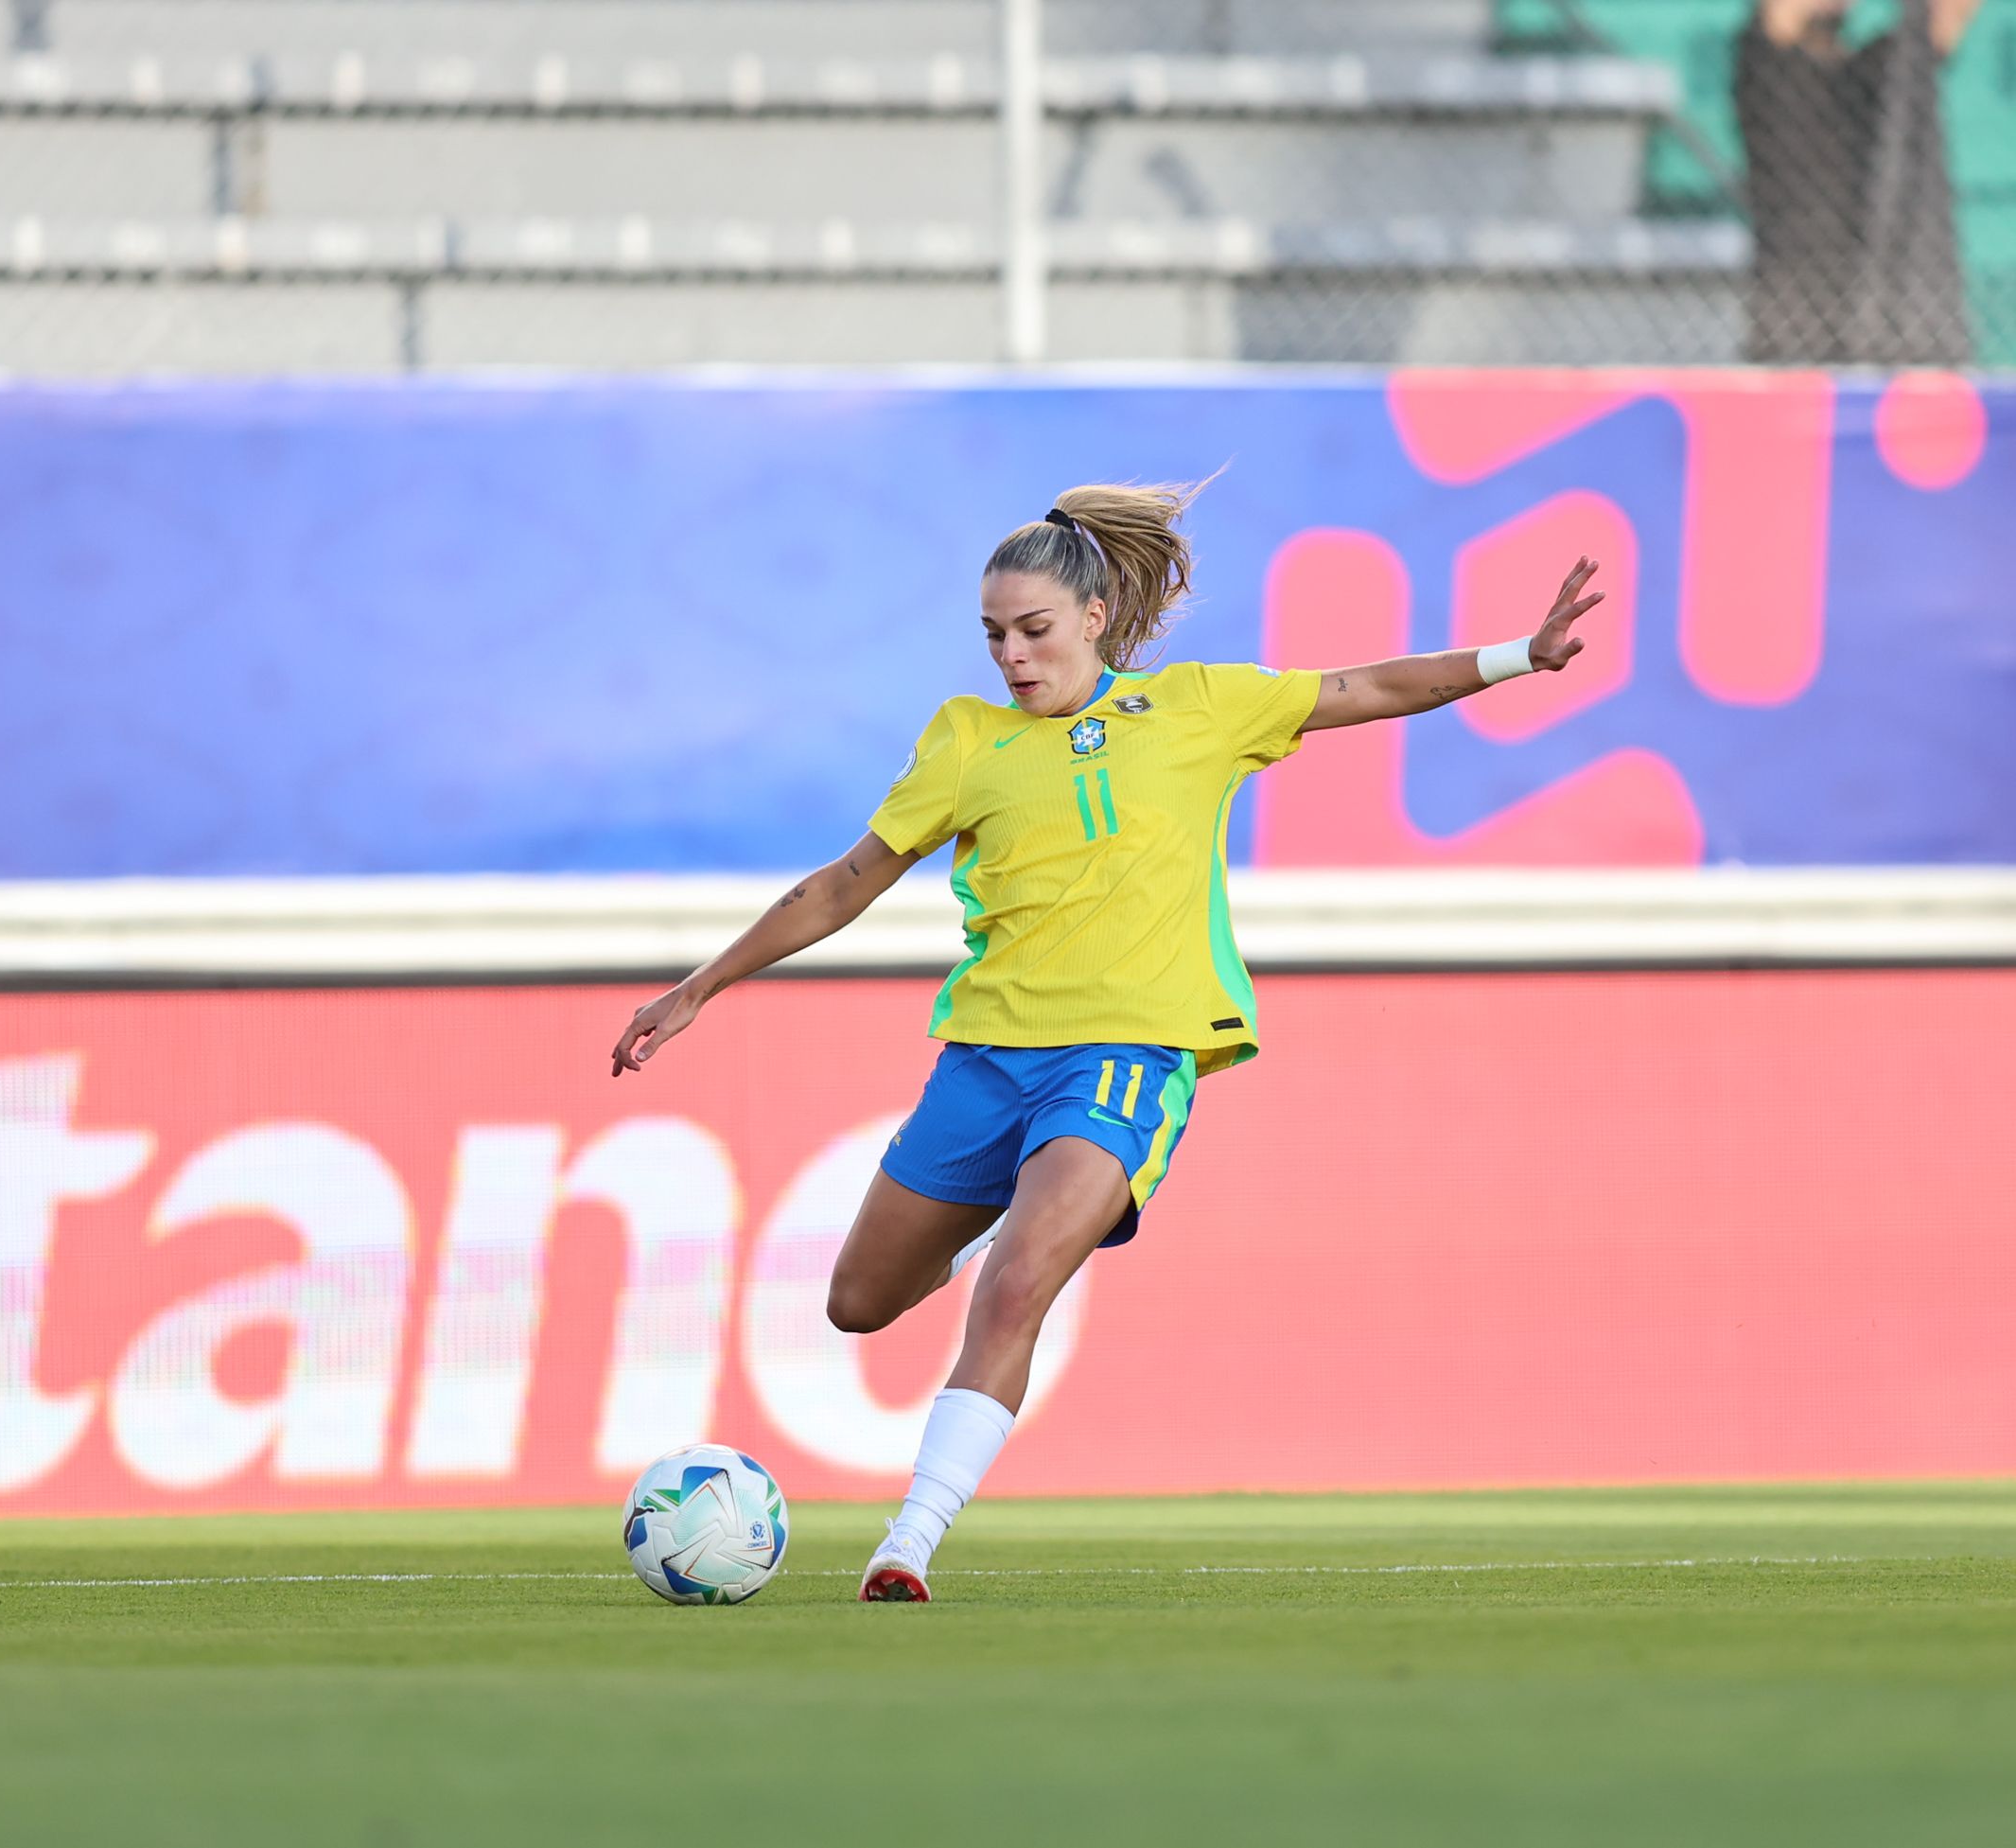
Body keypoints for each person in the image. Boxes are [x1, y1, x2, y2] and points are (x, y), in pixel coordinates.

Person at [608, 483, 1600, 1602]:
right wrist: (700, 987)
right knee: (860, 1301)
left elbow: (1365, 687)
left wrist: (1520, 655)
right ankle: (1013, 1225)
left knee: (1018, 1284)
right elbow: (845, 882)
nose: (1012, 656)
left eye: (1033, 629)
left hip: (1127, 1057)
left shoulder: (1197, 709)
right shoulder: (967, 741)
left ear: (1094, 616)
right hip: (985, 1061)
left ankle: (908, 1542)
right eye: (994, 635)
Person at [1734, 0, 1987, 365]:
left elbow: (1943, 23)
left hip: (1884, 306)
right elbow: (1780, 17)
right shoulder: (1768, 67)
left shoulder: (1875, 78)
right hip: (1796, 306)